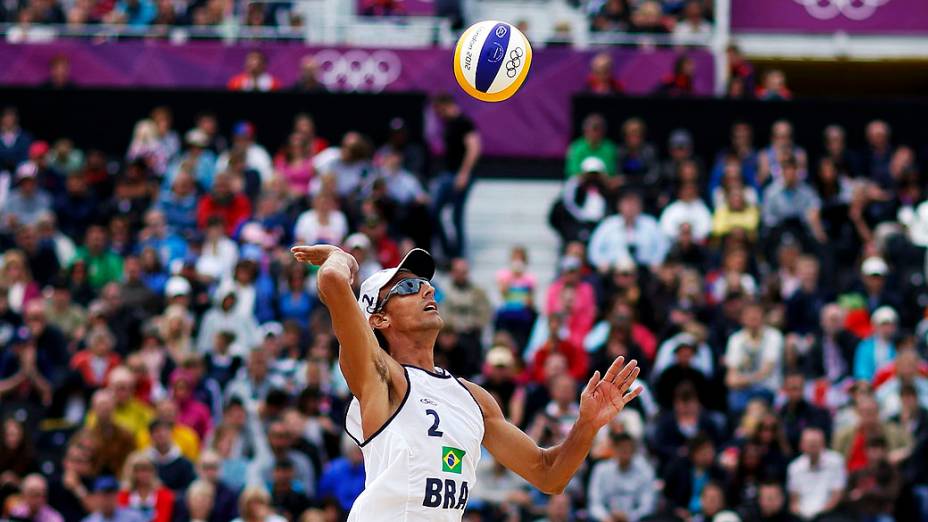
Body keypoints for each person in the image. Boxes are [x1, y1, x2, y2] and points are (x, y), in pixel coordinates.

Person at [290, 244, 641, 520]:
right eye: (409, 286)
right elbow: (333, 282)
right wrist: (342, 258)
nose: (427, 290)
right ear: (378, 318)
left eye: (427, 284)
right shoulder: (379, 376)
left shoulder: (473, 397)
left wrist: (587, 424)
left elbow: (549, 475)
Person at [431, 94, 481, 260]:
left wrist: (464, 173)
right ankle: (449, 251)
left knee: (456, 215)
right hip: (449, 173)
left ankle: (458, 255)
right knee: (434, 211)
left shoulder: (463, 123)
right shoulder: (449, 125)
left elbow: (474, 148)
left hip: (457, 174)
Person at [587, 433, 656, 522]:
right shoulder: (601, 470)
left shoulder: (645, 471)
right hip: (606, 518)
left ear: (634, 450)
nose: (625, 451)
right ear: (614, 449)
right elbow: (594, 503)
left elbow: (647, 506)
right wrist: (605, 517)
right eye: (621, 448)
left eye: (628, 448)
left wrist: (630, 517)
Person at [786, 427, 846, 520]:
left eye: (815, 443)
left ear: (823, 444)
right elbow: (794, 500)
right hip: (801, 516)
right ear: (802, 445)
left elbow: (837, 496)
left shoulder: (836, 461)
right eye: (809, 443)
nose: (812, 446)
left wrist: (817, 516)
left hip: (828, 514)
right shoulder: (794, 467)